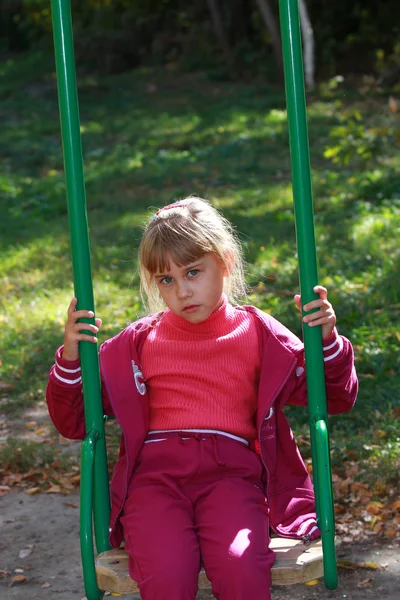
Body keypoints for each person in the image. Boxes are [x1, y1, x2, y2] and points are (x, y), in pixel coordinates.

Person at [46, 196, 358, 600]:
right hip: (155, 479)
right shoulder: (139, 342)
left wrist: (327, 340)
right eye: (166, 280)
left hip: (232, 476)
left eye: (193, 272)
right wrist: (71, 356)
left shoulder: (258, 333)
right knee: (166, 571)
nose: (182, 291)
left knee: (240, 563)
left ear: (225, 261)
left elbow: (335, 396)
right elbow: (73, 421)